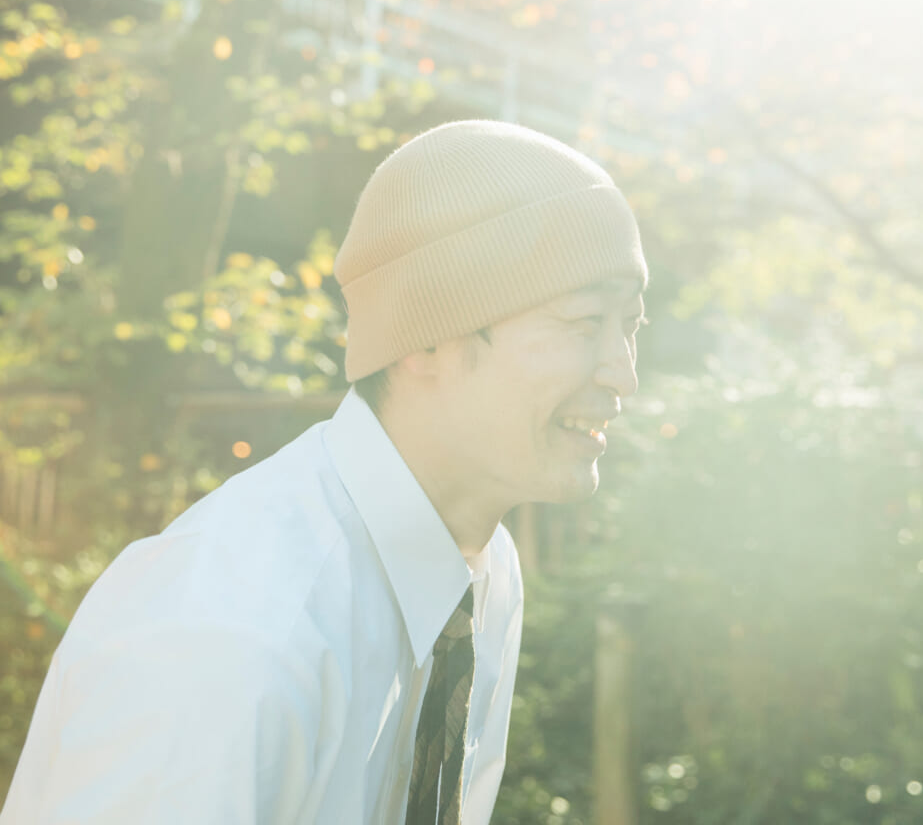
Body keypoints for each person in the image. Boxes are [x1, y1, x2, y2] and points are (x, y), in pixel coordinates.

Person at [2, 119, 649, 824]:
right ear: (427, 336)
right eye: (585, 323)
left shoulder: (483, 571)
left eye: (631, 326)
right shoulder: (227, 636)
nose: (624, 373)